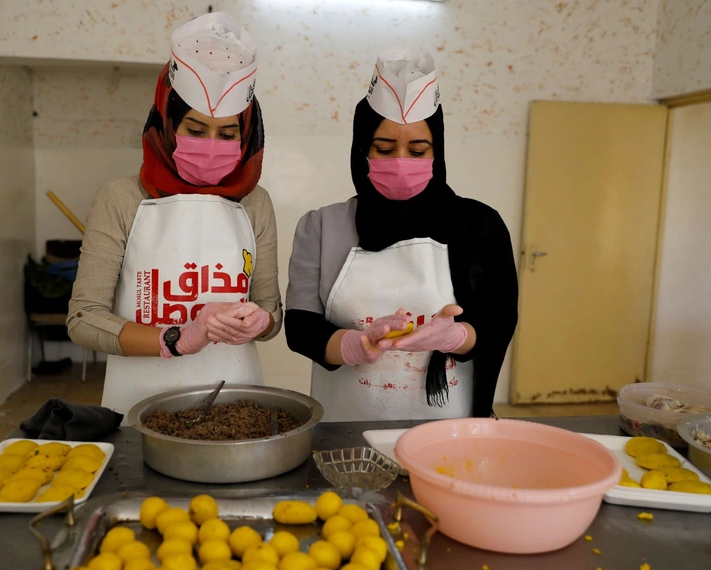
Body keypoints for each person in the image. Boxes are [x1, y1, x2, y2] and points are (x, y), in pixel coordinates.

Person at [68, 13, 281, 421]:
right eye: (196, 130)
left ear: (246, 134)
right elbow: (83, 319)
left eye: (227, 133)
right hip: (139, 401)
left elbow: (271, 309)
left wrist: (262, 322)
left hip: (235, 399)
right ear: (167, 124)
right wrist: (177, 338)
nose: (211, 145)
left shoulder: (256, 203)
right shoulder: (120, 198)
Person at [285, 50, 517, 421]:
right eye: (385, 149)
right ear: (362, 149)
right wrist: (353, 346)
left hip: (447, 428)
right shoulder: (321, 226)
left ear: (436, 151)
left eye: (418, 150)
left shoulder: (479, 225)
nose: (401, 161)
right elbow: (300, 327)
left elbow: (499, 323)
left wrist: (456, 338)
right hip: (344, 428)